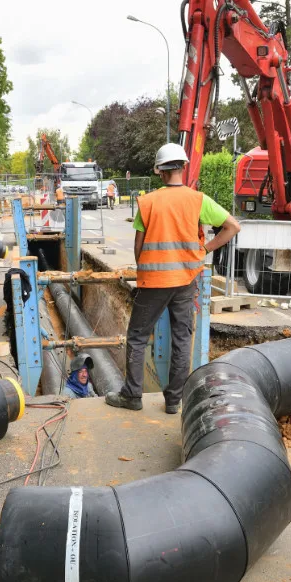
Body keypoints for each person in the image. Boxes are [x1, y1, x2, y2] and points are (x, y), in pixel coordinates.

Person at [105, 143, 241, 415]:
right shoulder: (198, 200)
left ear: (159, 171)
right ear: (183, 167)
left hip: (154, 282)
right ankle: (173, 401)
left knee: (138, 336)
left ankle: (132, 395)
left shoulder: (148, 202)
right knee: (181, 338)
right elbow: (233, 226)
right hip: (185, 279)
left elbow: (138, 246)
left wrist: (144, 268)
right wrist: (205, 249)